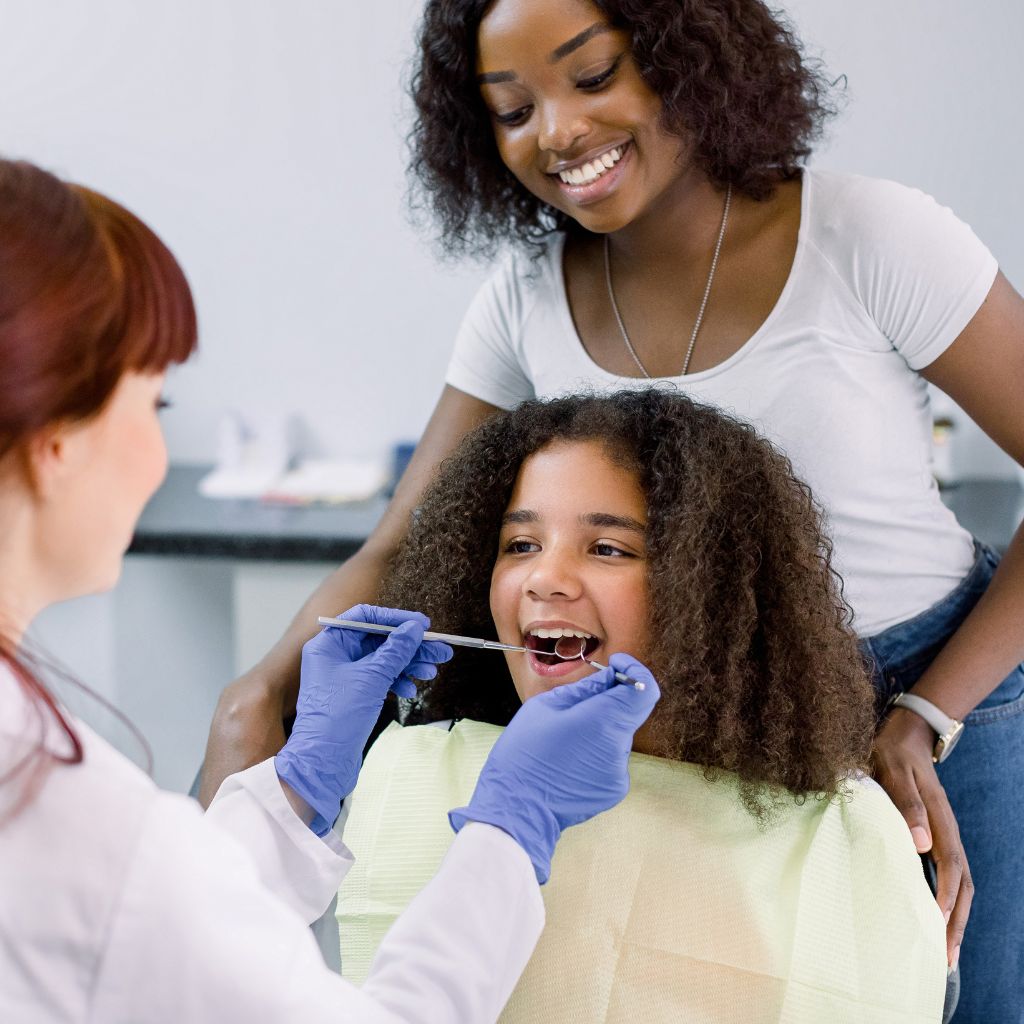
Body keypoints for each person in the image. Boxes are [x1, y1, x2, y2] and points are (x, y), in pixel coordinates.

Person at [199, 2, 1024, 1018]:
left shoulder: (871, 237)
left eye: (592, 78)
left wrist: (924, 715)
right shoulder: (522, 298)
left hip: (930, 689)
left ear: (692, 61)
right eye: (510, 109)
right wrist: (259, 698)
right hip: (686, 720)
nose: (555, 132)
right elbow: (394, 543)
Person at [0, 157, 661, 1022]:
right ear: (56, 443)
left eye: (606, 546)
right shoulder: (63, 813)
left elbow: (168, 948)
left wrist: (293, 793)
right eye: (155, 404)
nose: (546, 576)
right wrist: (512, 829)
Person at [333, 389, 948, 1022]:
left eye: (607, 549)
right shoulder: (412, 773)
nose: (546, 578)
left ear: (710, 591)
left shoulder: (840, 836)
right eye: (520, 544)